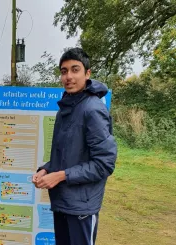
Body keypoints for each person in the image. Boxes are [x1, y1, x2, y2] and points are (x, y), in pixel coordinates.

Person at [32, 48, 117, 245]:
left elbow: (104, 164)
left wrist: (61, 175)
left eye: (75, 70)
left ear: (87, 74)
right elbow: (67, 155)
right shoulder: (67, 107)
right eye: (64, 71)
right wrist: (46, 169)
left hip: (82, 207)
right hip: (63, 201)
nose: (68, 76)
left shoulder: (92, 109)